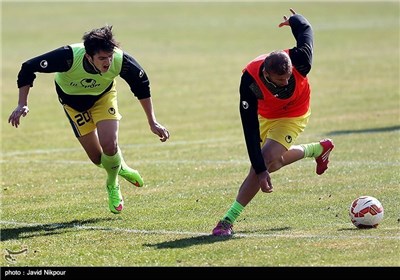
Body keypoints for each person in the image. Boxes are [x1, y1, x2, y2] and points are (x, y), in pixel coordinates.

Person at [8, 25, 170, 214]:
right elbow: (28, 68)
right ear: (88, 56)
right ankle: (121, 167)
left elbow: (141, 84)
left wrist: (152, 121)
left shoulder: (120, 60)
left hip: (103, 97)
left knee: (109, 144)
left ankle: (112, 183)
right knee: (97, 158)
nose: (107, 62)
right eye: (102, 58)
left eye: (109, 56)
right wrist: (22, 103)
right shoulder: (68, 57)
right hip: (73, 104)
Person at [212, 9, 334, 236]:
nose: (287, 81)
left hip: (294, 113)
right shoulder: (249, 80)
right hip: (265, 116)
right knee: (272, 164)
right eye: (281, 79)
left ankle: (227, 220)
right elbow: (249, 128)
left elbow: (306, 30)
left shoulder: (300, 60)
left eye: (288, 76)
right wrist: (260, 171)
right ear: (267, 74)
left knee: (266, 159)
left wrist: (294, 20)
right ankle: (318, 149)